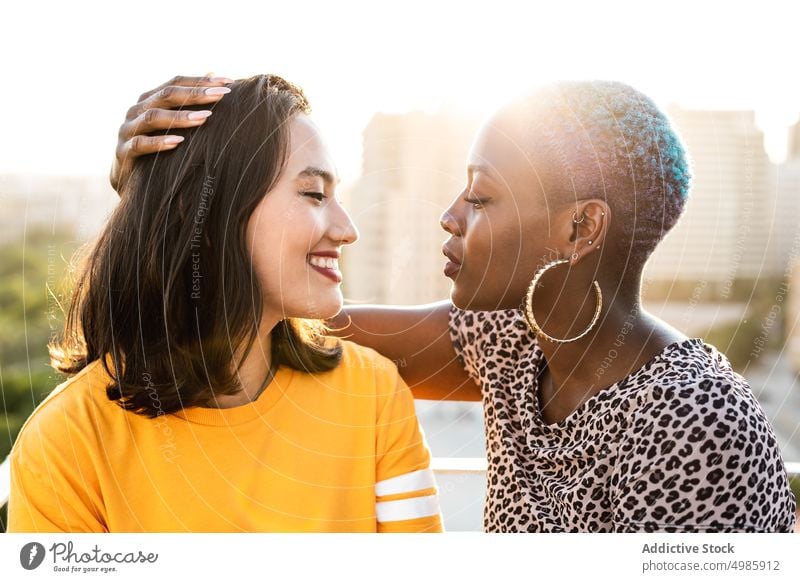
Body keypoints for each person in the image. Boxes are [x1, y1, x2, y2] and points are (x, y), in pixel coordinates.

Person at [108, 77, 796, 533]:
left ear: (580, 229)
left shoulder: (696, 423)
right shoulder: (515, 347)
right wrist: (161, 188)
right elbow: (280, 316)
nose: (449, 216)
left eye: (481, 196)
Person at [8, 74, 443, 533]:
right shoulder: (67, 440)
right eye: (314, 194)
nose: (347, 229)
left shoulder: (372, 394)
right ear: (209, 214)